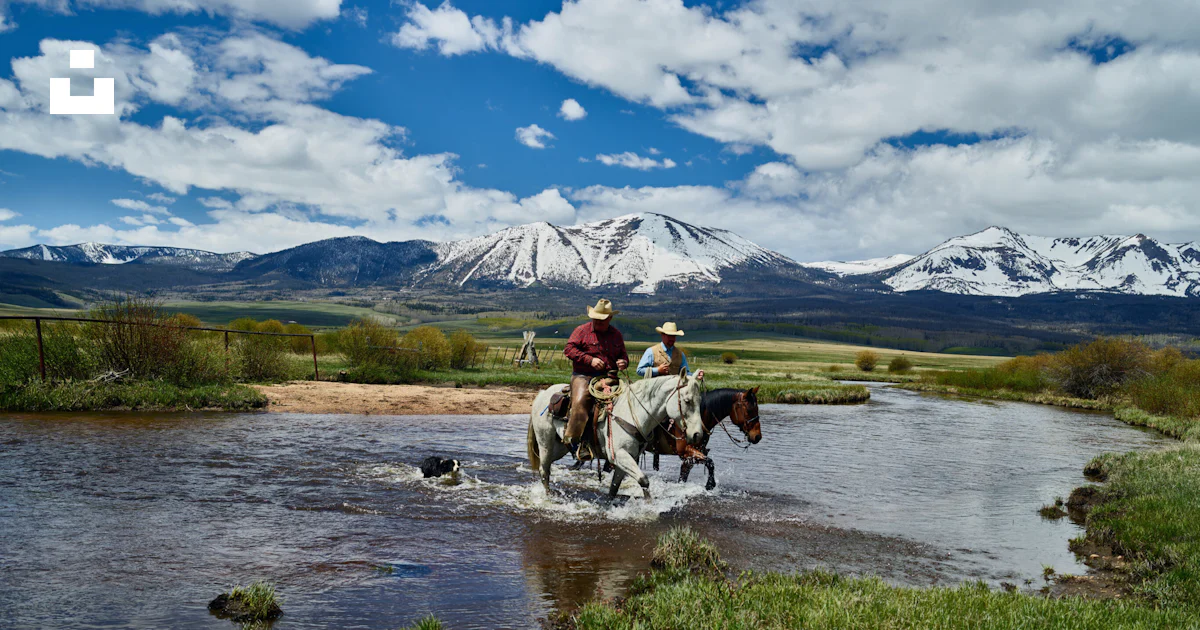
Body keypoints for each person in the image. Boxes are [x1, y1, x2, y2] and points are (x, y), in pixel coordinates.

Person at [562, 298, 629, 461]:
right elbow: (568, 349)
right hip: (584, 376)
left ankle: (623, 442)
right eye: (596, 319)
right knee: (580, 402)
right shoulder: (582, 331)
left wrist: (623, 362)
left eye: (602, 320)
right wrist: (589, 360)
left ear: (610, 319)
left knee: (628, 402)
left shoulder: (616, 335)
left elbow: (623, 356)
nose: (598, 322)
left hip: (610, 377)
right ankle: (577, 442)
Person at [636, 322, 703, 380]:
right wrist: (657, 370)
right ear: (663, 335)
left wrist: (695, 375)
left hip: (674, 392)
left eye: (673, 336)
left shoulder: (680, 355)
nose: (671, 338)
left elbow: (686, 374)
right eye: (669, 336)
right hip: (654, 392)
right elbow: (639, 370)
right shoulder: (651, 351)